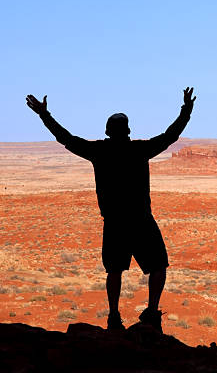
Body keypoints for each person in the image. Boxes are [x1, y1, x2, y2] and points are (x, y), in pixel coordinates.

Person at [25, 87, 197, 332]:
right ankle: (151, 311)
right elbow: (171, 136)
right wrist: (186, 110)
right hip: (141, 221)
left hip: (114, 223)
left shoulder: (98, 151)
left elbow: (65, 138)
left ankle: (114, 316)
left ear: (107, 131)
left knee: (114, 270)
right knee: (158, 266)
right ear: (128, 131)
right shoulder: (140, 150)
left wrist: (44, 115)